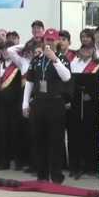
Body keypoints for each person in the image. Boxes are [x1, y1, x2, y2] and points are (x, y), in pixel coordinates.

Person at [22, 29, 71, 183]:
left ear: (57, 42)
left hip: (55, 103)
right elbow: (30, 81)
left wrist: (55, 59)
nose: (49, 42)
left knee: (55, 141)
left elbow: (67, 77)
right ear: (43, 41)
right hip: (39, 103)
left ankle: (56, 175)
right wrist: (25, 103)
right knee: (39, 139)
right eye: (47, 39)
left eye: (52, 39)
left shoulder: (62, 58)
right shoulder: (37, 59)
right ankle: (42, 175)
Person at [66, 45, 99, 179]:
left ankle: (89, 165)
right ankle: (75, 165)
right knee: (74, 135)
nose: (86, 52)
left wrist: (91, 93)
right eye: (84, 50)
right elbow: (69, 81)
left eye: (89, 50)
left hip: (90, 104)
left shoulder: (96, 64)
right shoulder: (74, 63)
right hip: (75, 102)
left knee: (89, 134)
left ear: (92, 51)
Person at [0, 41, 23, 170]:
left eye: (7, 49)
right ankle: (3, 161)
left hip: (16, 103)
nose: (4, 52)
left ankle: (18, 161)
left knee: (16, 132)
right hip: (2, 104)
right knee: (3, 132)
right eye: (2, 49)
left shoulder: (18, 65)